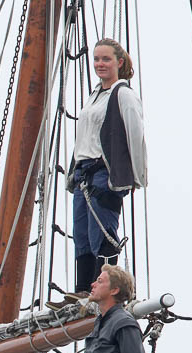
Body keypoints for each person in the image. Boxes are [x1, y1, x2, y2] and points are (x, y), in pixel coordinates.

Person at [63, 39, 147, 300]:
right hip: (83, 173)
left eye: (106, 59)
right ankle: (83, 290)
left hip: (104, 173)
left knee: (101, 233)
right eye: (97, 59)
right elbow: (84, 135)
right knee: (81, 235)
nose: (99, 64)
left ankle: (102, 290)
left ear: (119, 63)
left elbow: (135, 134)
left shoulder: (123, 94)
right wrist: (72, 171)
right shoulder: (94, 95)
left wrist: (135, 176)